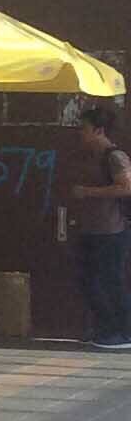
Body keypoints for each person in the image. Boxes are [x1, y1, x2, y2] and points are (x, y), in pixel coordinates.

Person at [71, 102, 131, 351]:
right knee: (87, 280)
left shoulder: (114, 156)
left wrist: (88, 192)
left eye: (84, 128)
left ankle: (121, 332)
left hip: (111, 231)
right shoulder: (88, 156)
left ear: (99, 130)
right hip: (89, 229)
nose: (80, 133)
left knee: (110, 281)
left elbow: (126, 187)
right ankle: (102, 327)